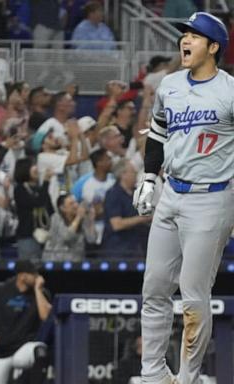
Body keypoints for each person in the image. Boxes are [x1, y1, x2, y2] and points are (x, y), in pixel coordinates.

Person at [133, 12, 234, 384]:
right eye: (184, 35)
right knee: (155, 289)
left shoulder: (230, 90)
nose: (184, 41)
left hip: (212, 199)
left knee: (193, 297)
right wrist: (147, 176)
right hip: (171, 194)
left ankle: (188, 378)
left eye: (194, 35)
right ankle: (153, 375)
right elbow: (157, 133)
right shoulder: (170, 85)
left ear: (214, 46)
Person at [0, 260, 51, 384]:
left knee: (40, 352)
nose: (39, 277)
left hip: (23, 349)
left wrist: (38, 290)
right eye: (34, 274)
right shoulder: (0, 289)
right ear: (22, 276)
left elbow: (45, 316)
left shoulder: (41, 293)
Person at [103, 159, 151, 257]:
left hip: (138, 248)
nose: (136, 173)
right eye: (133, 171)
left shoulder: (137, 193)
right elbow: (116, 224)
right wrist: (142, 218)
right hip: (119, 251)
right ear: (123, 174)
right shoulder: (113, 194)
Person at [14, 157, 54, 259]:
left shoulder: (40, 188)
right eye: (32, 166)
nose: (36, 168)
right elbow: (37, 203)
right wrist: (46, 181)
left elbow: (50, 209)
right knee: (30, 268)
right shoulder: (19, 189)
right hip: (27, 236)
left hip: (45, 236)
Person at [43, 193, 96, 261]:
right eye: (71, 204)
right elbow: (66, 237)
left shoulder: (82, 218)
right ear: (62, 208)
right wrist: (78, 217)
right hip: (56, 261)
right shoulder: (56, 218)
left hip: (76, 261)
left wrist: (91, 221)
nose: (76, 205)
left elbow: (91, 239)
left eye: (76, 202)